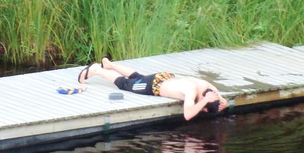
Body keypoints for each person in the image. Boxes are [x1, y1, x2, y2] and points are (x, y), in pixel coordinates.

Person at [78, 57, 228, 121]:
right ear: (204, 99)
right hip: (153, 85)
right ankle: (97, 69)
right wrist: (204, 102)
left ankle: (109, 64)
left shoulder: (207, 87)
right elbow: (188, 115)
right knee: (126, 84)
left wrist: (222, 102)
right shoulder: (192, 91)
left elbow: (223, 101)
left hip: (164, 77)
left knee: (137, 77)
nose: (202, 109)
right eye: (204, 108)